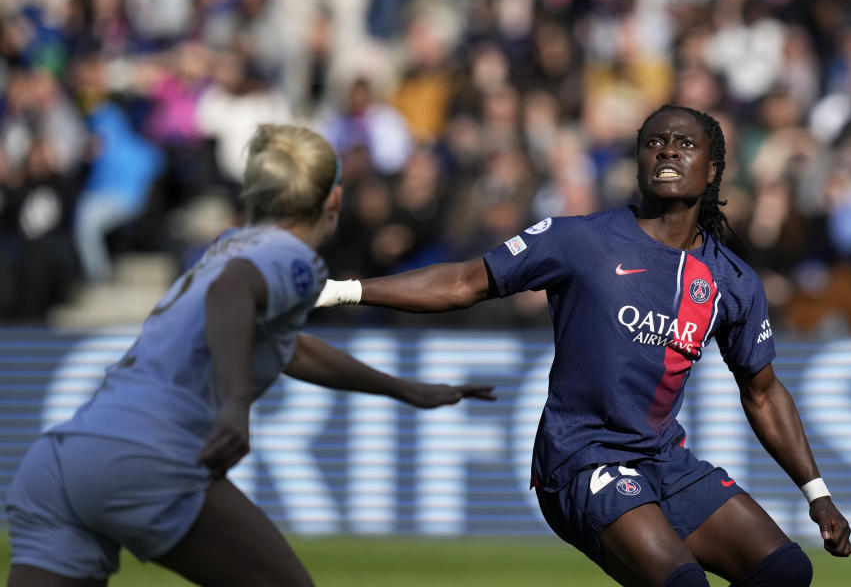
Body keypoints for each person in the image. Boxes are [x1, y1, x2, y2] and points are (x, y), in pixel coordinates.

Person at [315, 105, 851, 587]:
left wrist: (817, 493)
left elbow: (762, 392)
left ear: (712, 171)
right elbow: (465, 282)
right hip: (582, 459)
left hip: (664, 461)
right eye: (654, 142)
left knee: (785, 572)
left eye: (685, 143)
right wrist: (344, 290)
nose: (667, 150)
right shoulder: (581, 239)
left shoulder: (732, 280)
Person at [5, 124, 495, 587]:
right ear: (335, 198)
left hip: (63, 460)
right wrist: (237, 404)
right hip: (148, 454)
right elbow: (232, 293)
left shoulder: (229, 245)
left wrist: (403, 388)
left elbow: (288, 347)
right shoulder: (292, 256)